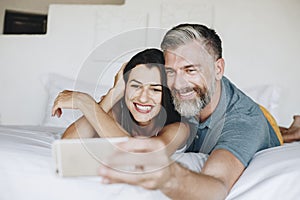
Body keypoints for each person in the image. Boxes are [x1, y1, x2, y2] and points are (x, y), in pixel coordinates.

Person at [97, 23, 284, 200]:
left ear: (218, 69)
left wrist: (171, 176)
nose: (179, 84)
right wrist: (112, 94)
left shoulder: (243, 122)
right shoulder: (175, 94)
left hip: (259, 120)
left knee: (272, 127)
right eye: (171, 72)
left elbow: (216, 185)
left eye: (190, 70)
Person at [52, 48, 190, 155]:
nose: (142, 98)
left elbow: (144, 155)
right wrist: (113, 93)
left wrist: (84, 102)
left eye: (155, 90)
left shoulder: (179, 128)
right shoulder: (116, 112)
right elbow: (68, 144)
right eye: (135, 86)